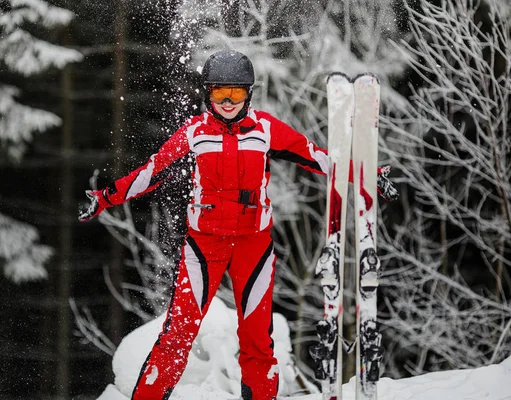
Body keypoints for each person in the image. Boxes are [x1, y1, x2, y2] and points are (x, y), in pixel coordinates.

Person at [78, 50, 398, 400]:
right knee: (178, 333)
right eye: (220, 94)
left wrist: (368, 175)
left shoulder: (264, 129)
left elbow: (316, 156)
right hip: (204, 247)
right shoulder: (195, 133)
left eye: (237, 94)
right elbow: (151, 173)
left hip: (253, 248)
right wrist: (106, 197)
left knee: (258, 341)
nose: (228, 102)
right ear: (207, 94)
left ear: (250, 94)